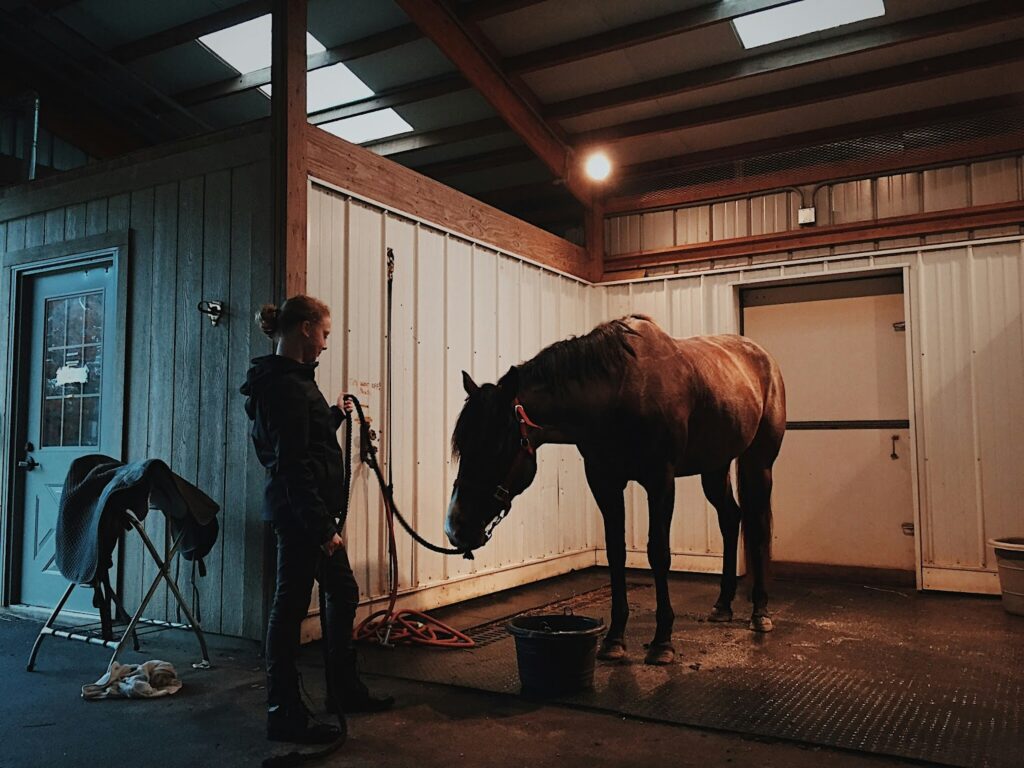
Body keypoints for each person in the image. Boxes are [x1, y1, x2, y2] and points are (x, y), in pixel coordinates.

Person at [240, 294, 394, 745]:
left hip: (308, 513)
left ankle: (341, 690)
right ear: (306, 327)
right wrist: (322, 528)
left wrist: (332, 416)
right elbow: (292, 465)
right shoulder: (286, 385)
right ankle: (283, 711)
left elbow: (302, 440)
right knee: (289, 608)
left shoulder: (292, 381)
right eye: (325, 333)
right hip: (302, 517)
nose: (326, 343)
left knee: (341, 590)